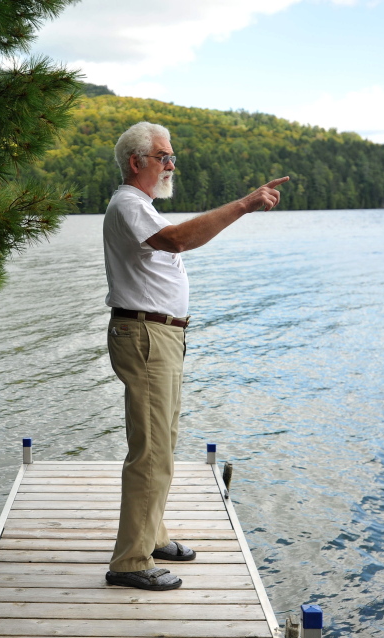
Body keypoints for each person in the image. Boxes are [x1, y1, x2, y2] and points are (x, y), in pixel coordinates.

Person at [103, 121, 288, 591]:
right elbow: (179, 239)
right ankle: (129, 562)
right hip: (146, 336)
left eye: (171, 156)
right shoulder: (128, 203)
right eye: (163, 156)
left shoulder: (142, 207)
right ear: (136, 162)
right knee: (150, 449)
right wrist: (245, 204)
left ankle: (152, 535)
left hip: (159, 336)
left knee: (163, 441)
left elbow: (172, 239)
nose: (171, 164)